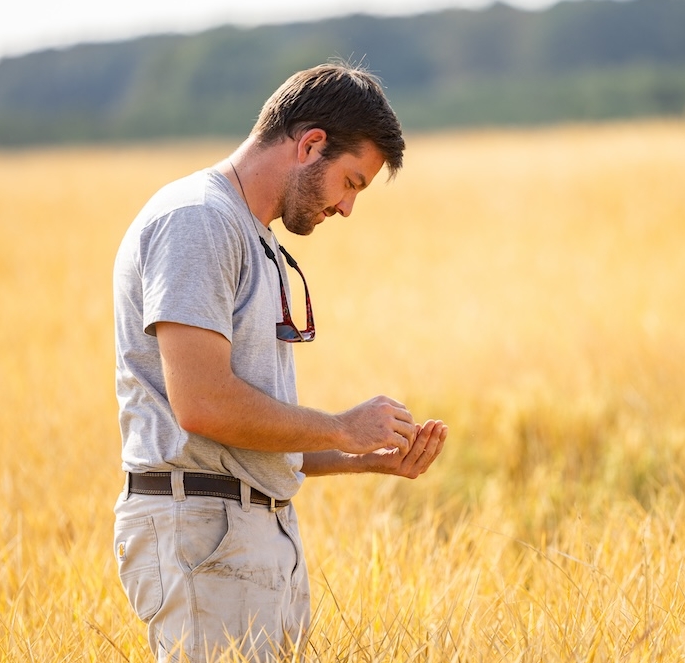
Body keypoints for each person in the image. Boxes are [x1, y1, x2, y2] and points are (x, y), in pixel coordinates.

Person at [111, 61, 448, 662]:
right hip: (206, 535)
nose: (347, 208)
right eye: (351, 182)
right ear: (310, 144)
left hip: (248, 534)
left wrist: (362, 457)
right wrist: (342, 426)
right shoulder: (198, 220)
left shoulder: (253, 235)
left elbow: (251, 430)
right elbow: (203, 405)